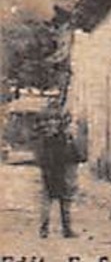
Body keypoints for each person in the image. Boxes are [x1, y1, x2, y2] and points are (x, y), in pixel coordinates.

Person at [35, 102, 81, 239]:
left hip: (49, 170)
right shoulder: (63, 137)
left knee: (47, 199)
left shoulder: (44, 137)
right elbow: (72, 155)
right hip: (61, 170)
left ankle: (44, 229)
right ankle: (66, 229)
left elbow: (41, 155)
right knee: (65, 200)